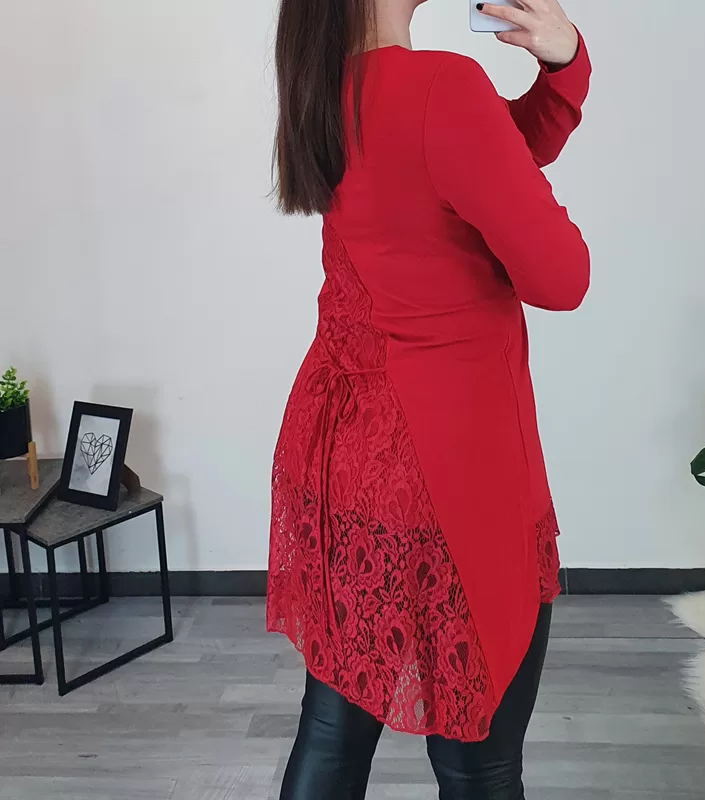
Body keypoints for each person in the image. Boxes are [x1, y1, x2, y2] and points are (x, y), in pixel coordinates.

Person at [267, 0, 591, 796]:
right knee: (480, 762)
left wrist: (560, 66)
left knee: (332, 732)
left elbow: (484, 153)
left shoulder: (325, 83)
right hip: (450, 475)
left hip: (346, 458)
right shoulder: (442, 89)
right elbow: (562, 276)